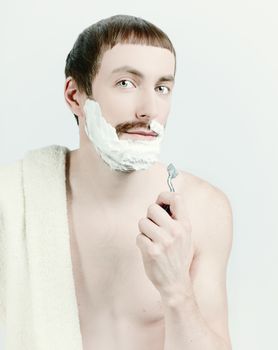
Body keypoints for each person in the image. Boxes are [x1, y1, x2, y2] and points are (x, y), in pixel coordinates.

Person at [0, 14, 233, 350]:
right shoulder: (14, 201)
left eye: (162, 88)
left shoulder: (204, 209)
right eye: (127, 83)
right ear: (75, 95)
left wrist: (176, 290)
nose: (149, 109)